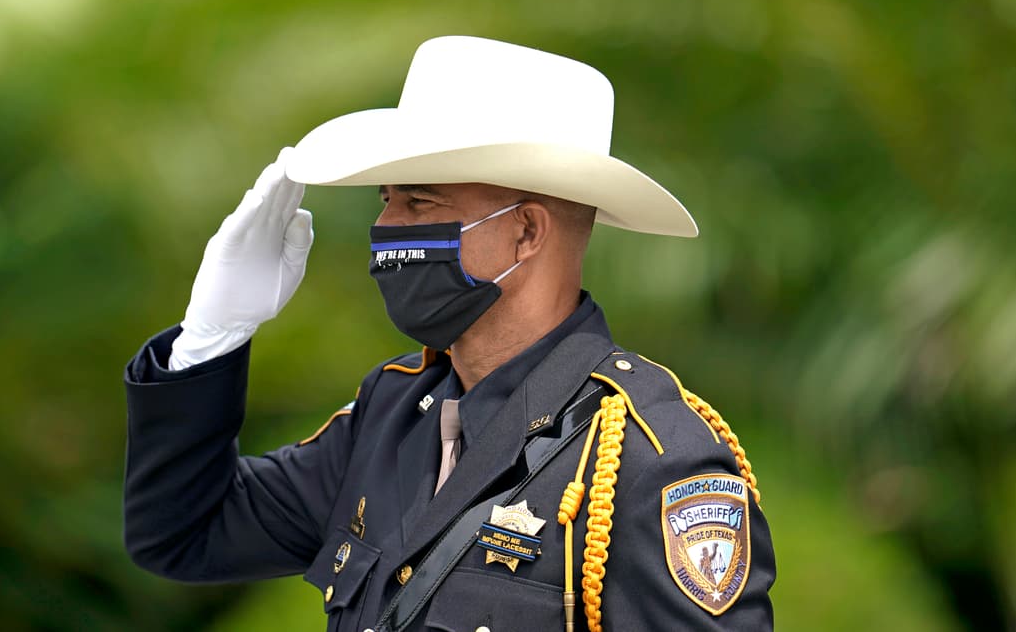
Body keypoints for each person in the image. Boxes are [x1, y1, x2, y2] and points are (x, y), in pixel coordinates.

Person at [123, 36, 775, 631]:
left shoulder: (648, 459)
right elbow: (182, 531)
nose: (386, 225)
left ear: (527, 230)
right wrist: (213, 336)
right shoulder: (393, 412)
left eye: (420, 202)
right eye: (386, 199)